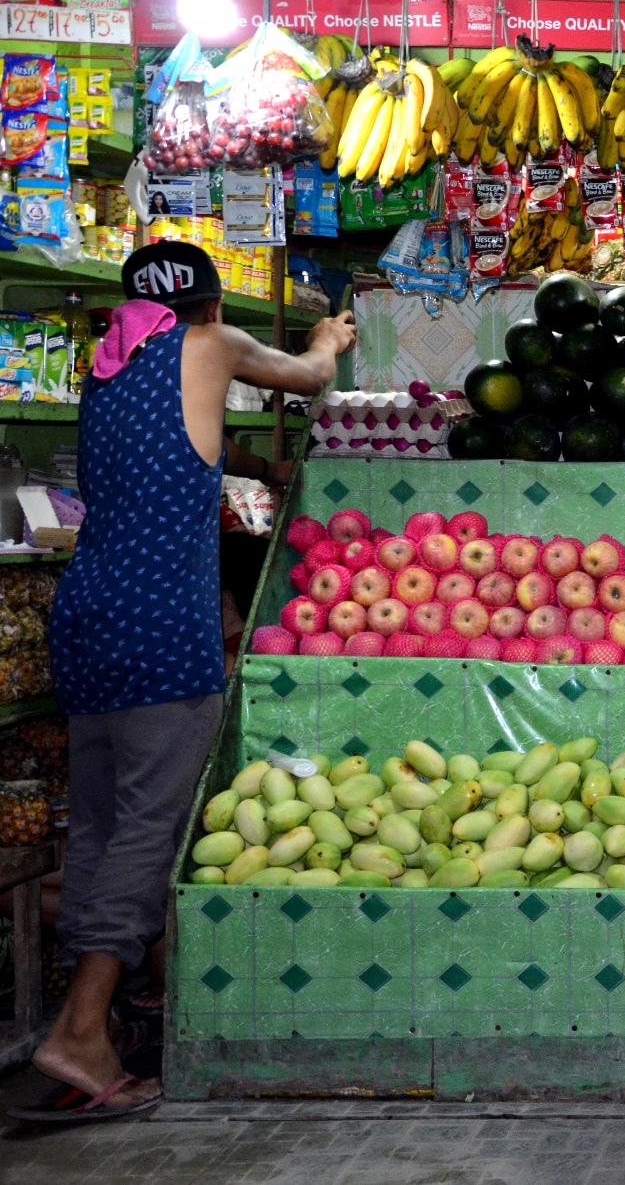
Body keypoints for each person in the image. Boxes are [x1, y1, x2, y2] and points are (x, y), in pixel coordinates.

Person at [28, 241, 356, 1121]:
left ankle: (103, 1013)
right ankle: (82, 1030)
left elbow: (175, 455)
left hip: (87, 618)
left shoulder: (110, 366)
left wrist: (259, 469)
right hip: (160, 628)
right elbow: (307, 375)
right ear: (210, 306)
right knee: (148, 828)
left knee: (99, 825)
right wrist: (330, 335)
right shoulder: (209, 345)